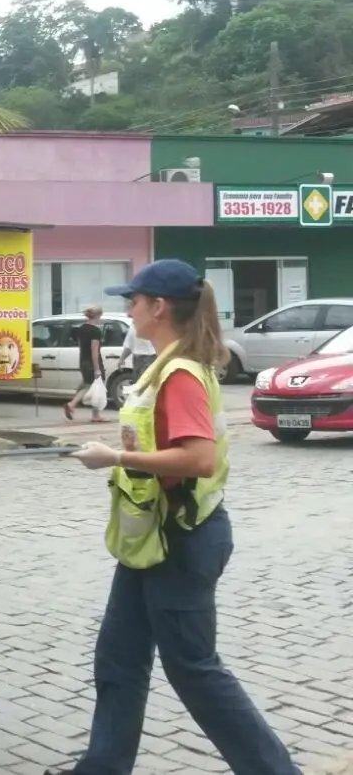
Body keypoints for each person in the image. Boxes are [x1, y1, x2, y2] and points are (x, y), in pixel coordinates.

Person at [49, 260, 300, 775]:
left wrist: (116, 457)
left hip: (182, 538)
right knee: (118, 658)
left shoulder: (180, 372)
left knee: (193, 669)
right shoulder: (166, 365)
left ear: (159, 307)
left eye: (134, 301)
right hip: (153, 537)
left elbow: (198, 458)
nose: (129, 310)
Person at [65, 305, 107, 423]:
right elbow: (94, 350)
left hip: (83, 360)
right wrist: (97, 368)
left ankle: (95, 414)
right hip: (92, 362)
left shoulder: (82, 328)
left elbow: (82, 346)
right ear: (98, 316)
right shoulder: (95, 331)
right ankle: (72, 405)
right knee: (93, 385)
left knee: (87, 384)